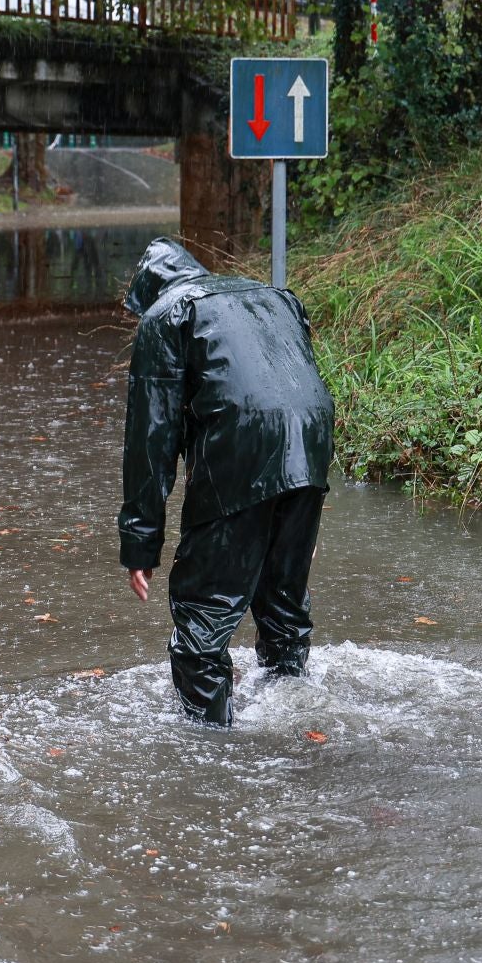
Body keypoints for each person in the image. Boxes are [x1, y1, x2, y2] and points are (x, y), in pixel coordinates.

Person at [117, 238, 335, 726]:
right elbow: (300, 400)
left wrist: (140, 545)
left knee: (202, 612)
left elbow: (151, 439)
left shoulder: (166, 314)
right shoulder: (274, 298)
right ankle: (295, 711)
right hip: (310, 446)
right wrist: (304, 507)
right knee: (283, 602)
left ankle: (208, 748)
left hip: (241, 445)